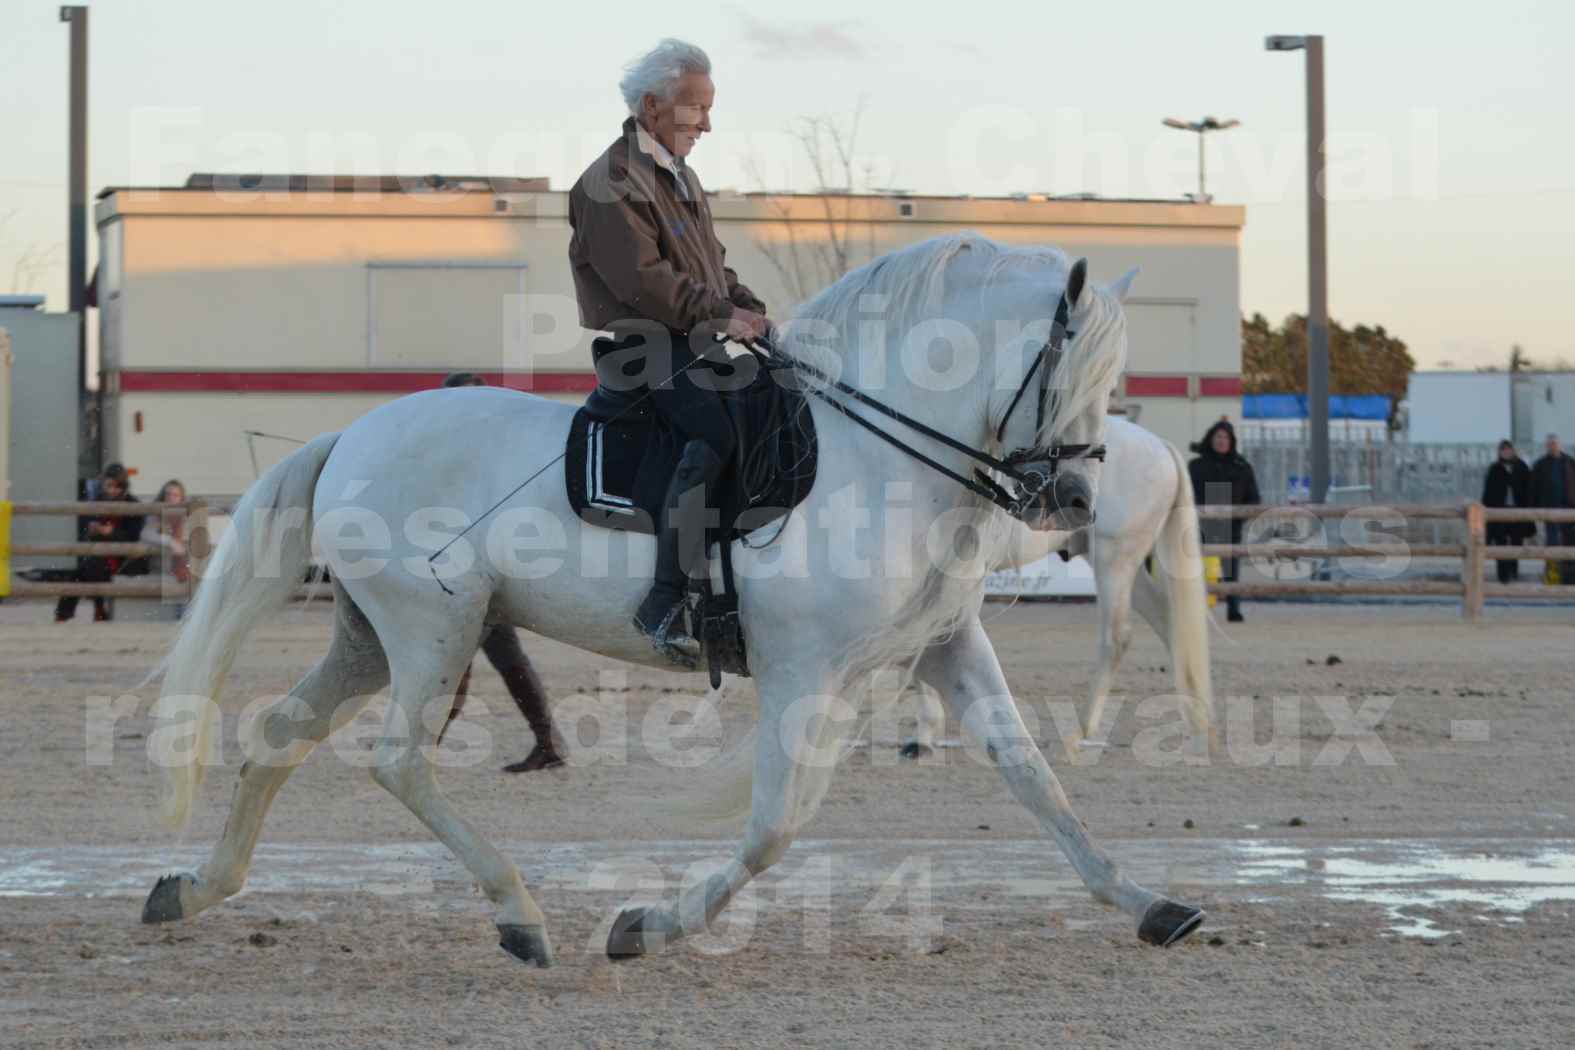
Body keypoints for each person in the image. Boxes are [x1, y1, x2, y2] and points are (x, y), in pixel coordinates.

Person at [568, 38, 770, 663]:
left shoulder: (679, 173)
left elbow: (711, 269)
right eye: (696, 109)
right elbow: (643, 281)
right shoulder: (608, 182)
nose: (707, 124)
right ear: (653, 106)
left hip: (695, 340)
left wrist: (750, 307)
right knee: (715, 433)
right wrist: (722, 313)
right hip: (646, 346)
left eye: (709, 109)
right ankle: (667, 600)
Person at [435, 371, 565, 772]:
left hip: (486, 566)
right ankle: (548, 742)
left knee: (455, 654)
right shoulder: (445, 451)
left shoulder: (497, 450)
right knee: (492, 654)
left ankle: (427, 740)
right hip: (466, 563)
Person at [1188, 418, 1260, 623]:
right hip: (1201, 526)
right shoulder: (1196, 466)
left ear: (1232, 441)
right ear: (1211, 439)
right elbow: (1188, 496)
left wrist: (1239, 515)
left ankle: (1233, 608)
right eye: (1218, 436)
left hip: (1231, 526)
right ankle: (1198, 610)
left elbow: (1253, 498)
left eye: (1225, 437)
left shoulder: (1242, 467)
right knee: (1199, 570)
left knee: (1231, 571)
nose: (1221, 441)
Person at [54, 463, 146, 623]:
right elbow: (85, 531)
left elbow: (132, 537)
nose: (111, 490)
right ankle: (67, 614)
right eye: (108, 486)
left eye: (116, 486)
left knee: (88, 568)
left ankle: (93, 610)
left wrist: (112, 533)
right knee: (80, 573)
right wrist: (93, 530)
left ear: (123, 487)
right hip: (100, 554)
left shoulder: (133, 504)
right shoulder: (97, 501)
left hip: (125, 558)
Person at [1481, 441, 1534, 584]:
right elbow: (1488, 492)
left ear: (1512, 451)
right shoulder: (1494, 469)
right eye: (1503, 450)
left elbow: (1529, 490)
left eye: (1508, 450)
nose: (1505, 452)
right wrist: (1486, 511)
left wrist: (1529, 510)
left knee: (1516, 542)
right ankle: (1502, 575)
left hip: (1517, 511)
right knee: (1500, 542)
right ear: (1499, 452)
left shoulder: (1521, 467)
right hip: (1499, 511)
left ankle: (1513, 571)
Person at [1530, 433, 1575, 583]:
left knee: (1570, 543)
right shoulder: (1540, 465)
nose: (1553, 446)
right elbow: (1534, 488)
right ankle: (1553, 577)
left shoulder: (1570, 462)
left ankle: (1569, 577)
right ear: (1546, 447)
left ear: (1560, 445)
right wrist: (1535, 509)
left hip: (1569, 510)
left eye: (1555, 444)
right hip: (1549, 510)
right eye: (1550, 444)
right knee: (1552, 543)